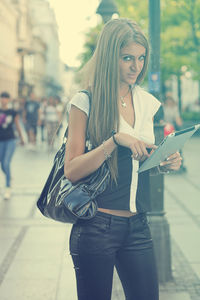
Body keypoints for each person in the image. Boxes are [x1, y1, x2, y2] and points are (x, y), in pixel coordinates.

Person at [65, 18, 182, 300]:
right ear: (110, 57)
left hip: (138, 226)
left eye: (141, 58)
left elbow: (139, 163)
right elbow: (71, 170)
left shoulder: (145, 101)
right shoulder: (85, 101)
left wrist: (164, 162)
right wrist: (114, 140)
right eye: (127, 58)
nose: (135, 66)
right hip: (97, 226)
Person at [0, 92, 24, 199]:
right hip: (1, 140)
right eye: (2, 98)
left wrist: (22, 138)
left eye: (6, 98)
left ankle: (8, 187)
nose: (4, 100)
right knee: (2, 164)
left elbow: (17, 125)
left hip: (10, 140)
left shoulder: (13, 112)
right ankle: (9, 177)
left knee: (6, 162)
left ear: (9, 100)